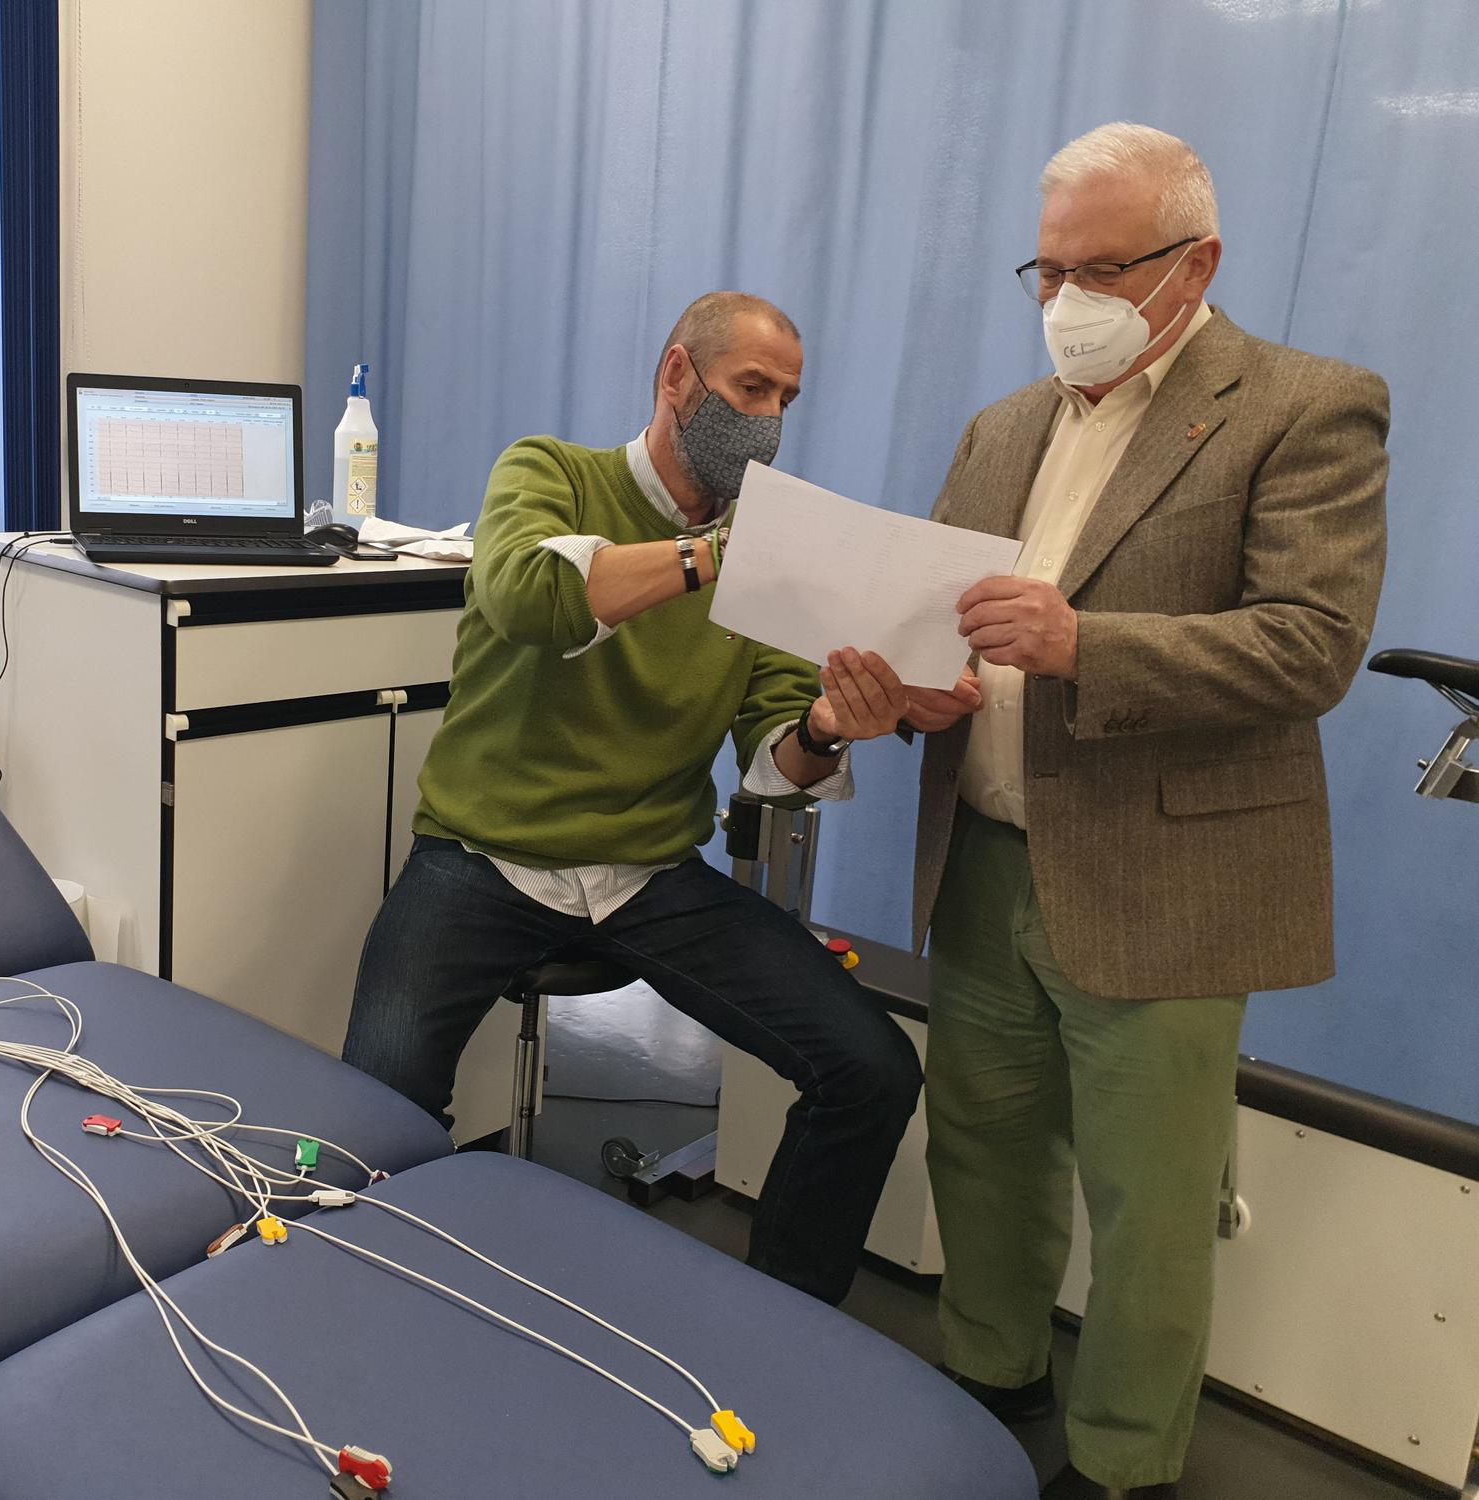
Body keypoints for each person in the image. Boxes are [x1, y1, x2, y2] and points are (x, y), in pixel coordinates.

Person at [902, 123, 1388, 1500]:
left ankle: (1124, 1466)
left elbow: (1311, 645)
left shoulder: (1305, 405)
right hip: (989, 855)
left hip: (1168, 875)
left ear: (1200, 261)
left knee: (1150, 1205)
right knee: (983, 1156)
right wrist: (918, 683)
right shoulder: (1001, 428)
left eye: (1103, 269)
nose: (1069, 303)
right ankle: (989, 1391)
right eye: (1046, 270)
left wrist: (1084, 645)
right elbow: (948, 619)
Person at [343, 291, 925, 1308]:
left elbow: (771, 760)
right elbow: (527, 594)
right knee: (373, 1114)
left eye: (786, 398)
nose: (768, 421)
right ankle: (381, 1315)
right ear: (674, 377)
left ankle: (785, 1326)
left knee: (870, 1070)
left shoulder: (764, 557)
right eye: (749, 389)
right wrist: (713, 559)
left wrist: (829, 727)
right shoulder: (550, 472)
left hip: (650, 872)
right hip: (482, 854)